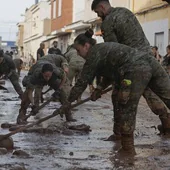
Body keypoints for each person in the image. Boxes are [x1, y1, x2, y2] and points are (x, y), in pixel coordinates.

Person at [54, 30, 170, 154]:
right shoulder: (103, 50)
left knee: (126, 105)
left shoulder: (93, 54)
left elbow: (81, 82)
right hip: (150, 62)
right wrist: (99, 88)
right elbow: (111, 73)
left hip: (135, 70)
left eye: (78, 50)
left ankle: (127, 148)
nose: (78, 54)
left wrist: (67, 103)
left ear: (86, 46)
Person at [91, 0, 170, 141]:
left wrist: (101, 86)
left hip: (132, 64)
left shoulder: (108, 22)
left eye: (98, 12)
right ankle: (167, 123)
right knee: (151, 92)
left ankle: (119, 134)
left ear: (102, 7)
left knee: (119, 96)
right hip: (149, 59)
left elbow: (113, 53)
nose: (99, 15)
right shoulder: (126, 12)